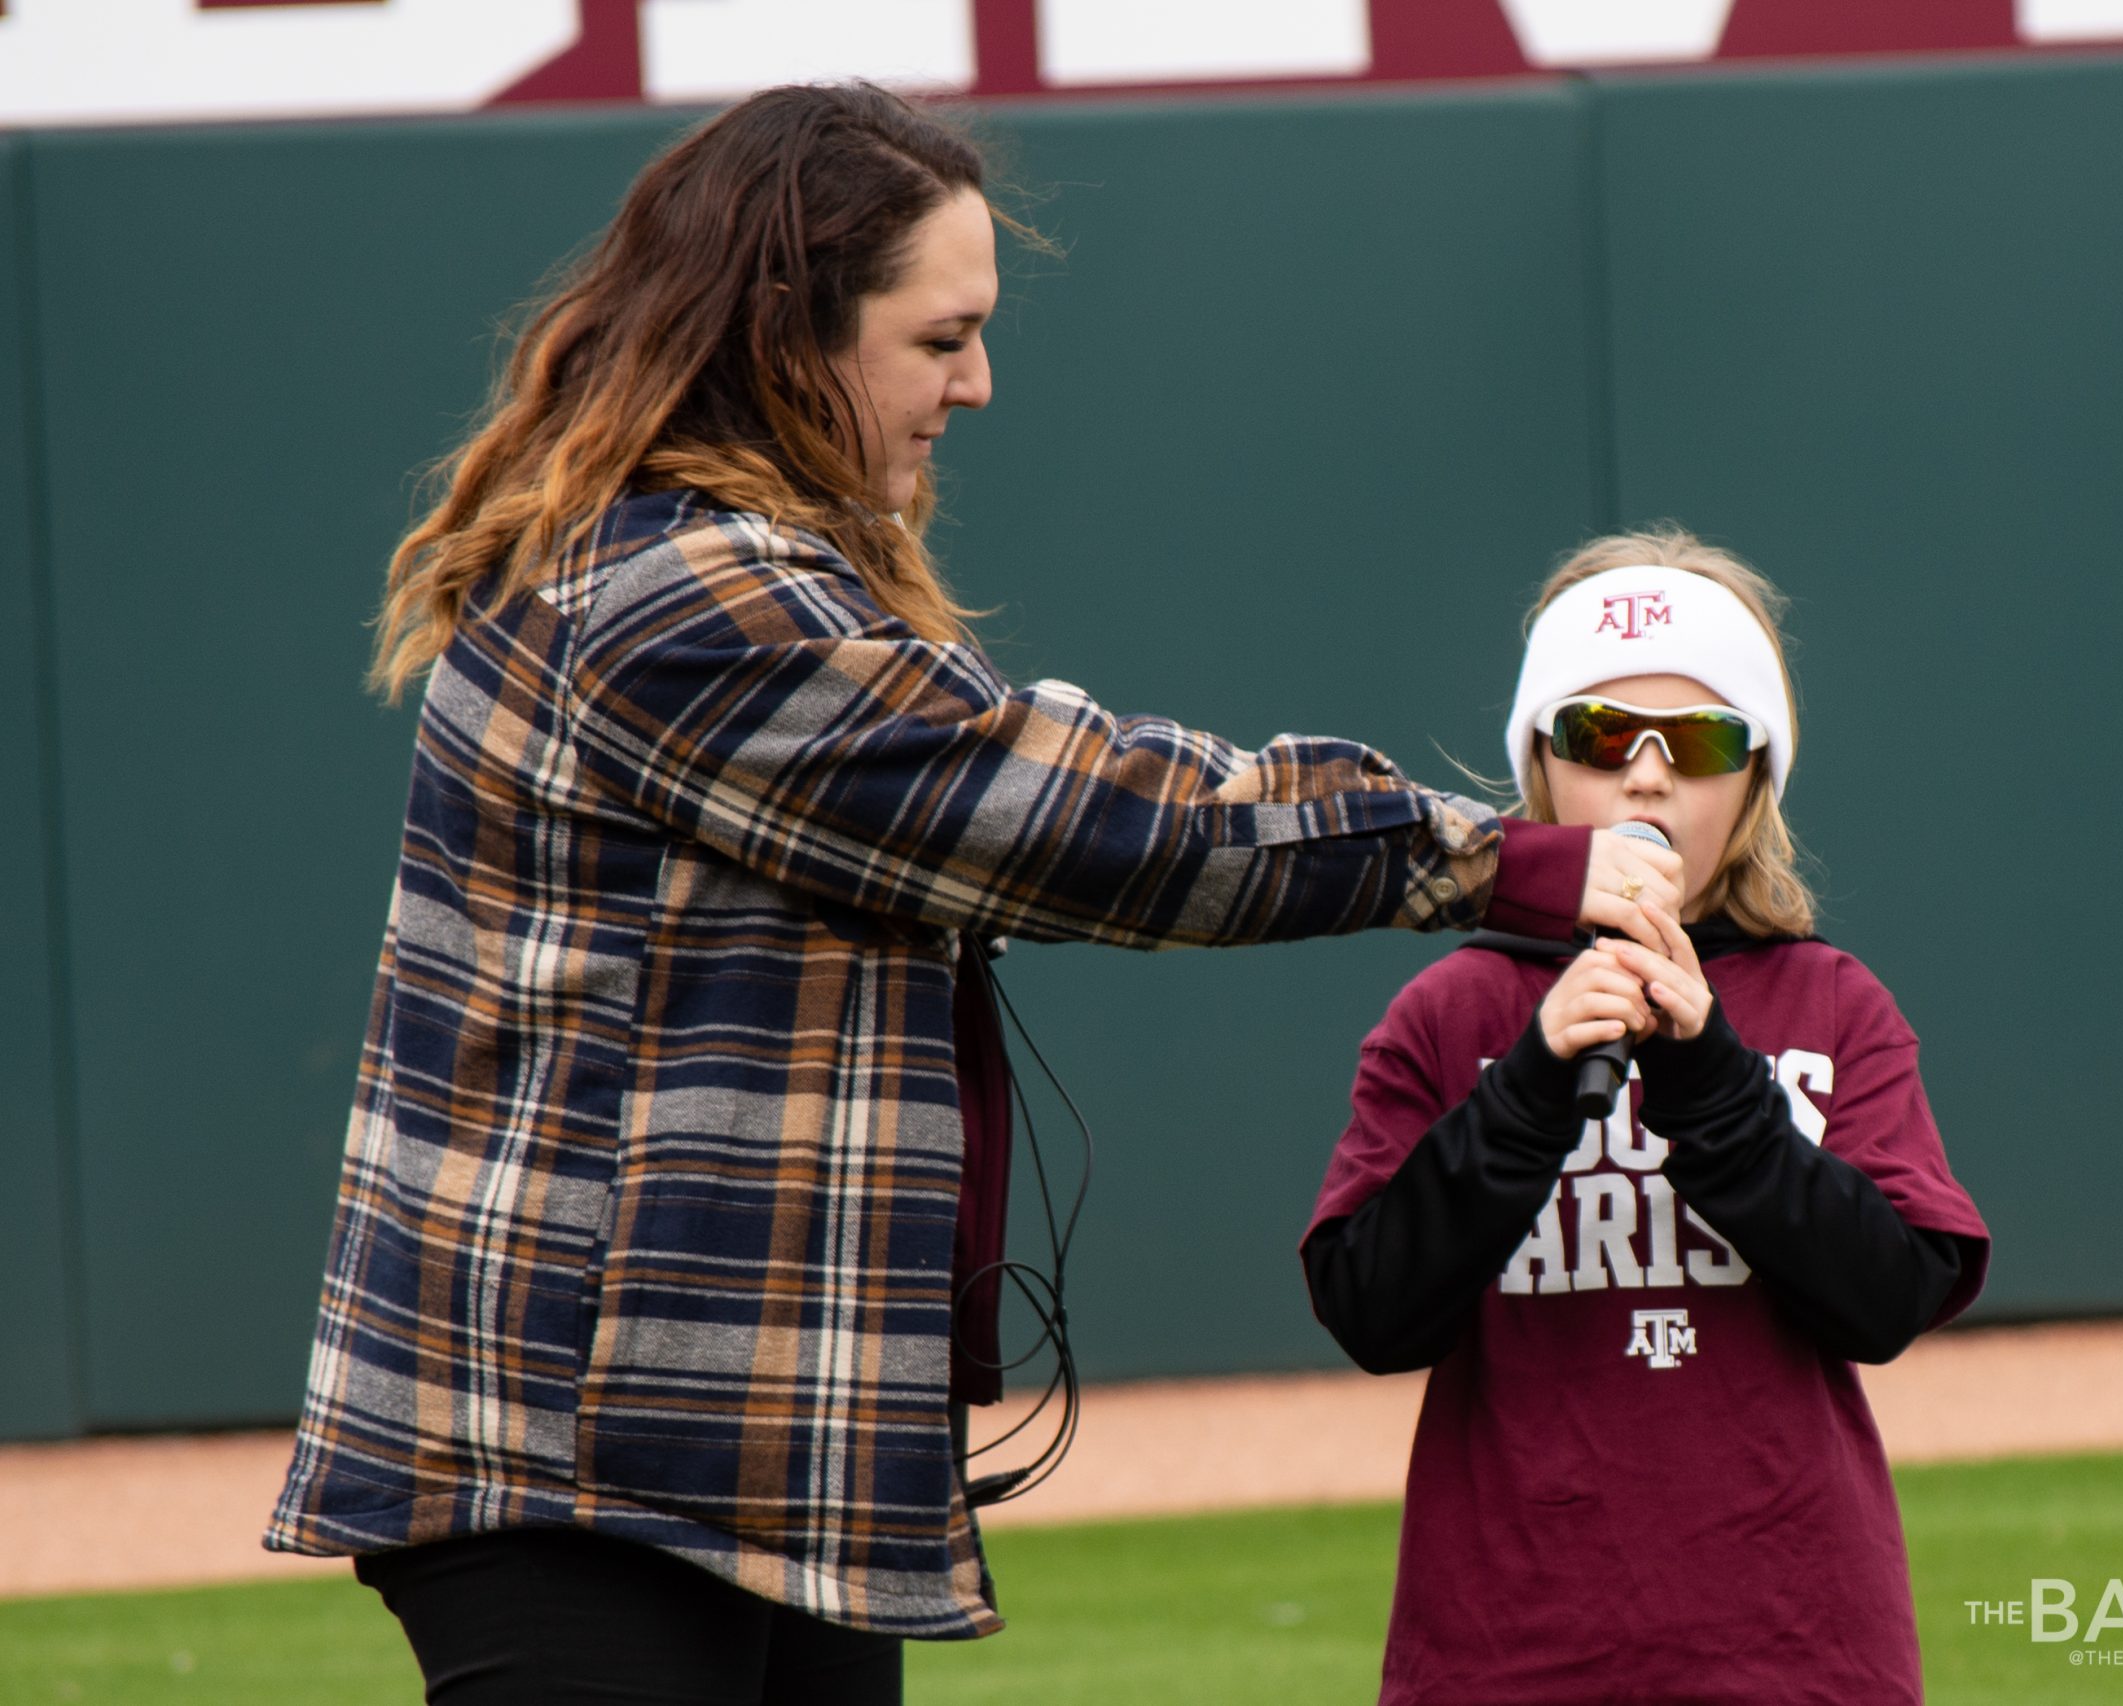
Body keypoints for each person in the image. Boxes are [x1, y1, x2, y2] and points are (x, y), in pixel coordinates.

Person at [262, 82, 1678, 1704]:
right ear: (789, 328)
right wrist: (1512, 858)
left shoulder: (732, 563)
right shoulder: (678, 596)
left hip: (735, 1448)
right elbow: (1088, 817)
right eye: (941, 339)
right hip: (590, 1460)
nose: (979, 383)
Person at [1301, 528, 1992, 1706]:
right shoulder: (1450, 1007)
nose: (1648, 776)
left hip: (1796, 1651)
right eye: (1601, 733)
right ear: (1540, 767)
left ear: (1756, 775)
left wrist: (1715, 1079)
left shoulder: (1832, 1000)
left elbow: (1891, 1295)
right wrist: (1522, 1089)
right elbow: (1371, 1308)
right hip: (1506, 1651)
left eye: (1704, 739)